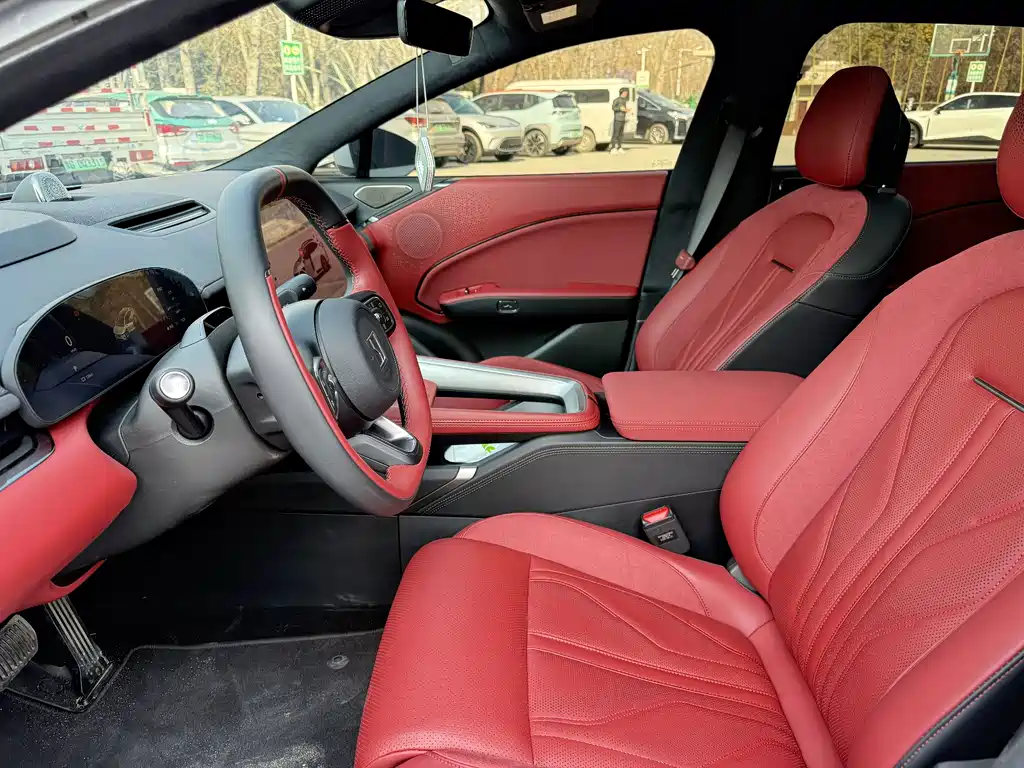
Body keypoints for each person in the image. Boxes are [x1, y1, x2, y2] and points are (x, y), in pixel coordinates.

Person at [610, 87, 629, 153]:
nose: (626, 94)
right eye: (625, 93)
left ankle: (619, 147)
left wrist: (626, 110)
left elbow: (624, 109)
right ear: (622, 93)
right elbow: (613, 108)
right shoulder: (617, 100)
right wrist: (620, 108)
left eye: (626, 93)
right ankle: (613, 148)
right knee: (616, 134)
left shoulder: (624, 100)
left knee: (621, 135)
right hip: (617, 119)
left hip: (622, 119)